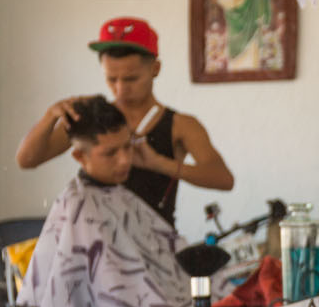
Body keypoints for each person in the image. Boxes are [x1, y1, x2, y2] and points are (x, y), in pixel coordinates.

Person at [18, 98, 228, 307]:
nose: (125, 160)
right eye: (110, 153)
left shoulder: (121, 197)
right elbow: (115, 299)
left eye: (128, 147)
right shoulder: (79, 206)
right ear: (80, 156)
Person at [15, 17, 234, 227]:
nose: (120, 89)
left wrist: (159, 164)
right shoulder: (91, 118)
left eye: (131, 79)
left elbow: (223, 179)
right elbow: (26, 160)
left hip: (154, 249)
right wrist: (49, 117)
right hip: (98, 244)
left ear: (155, 69)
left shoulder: (181, 125)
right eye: (111, 79)